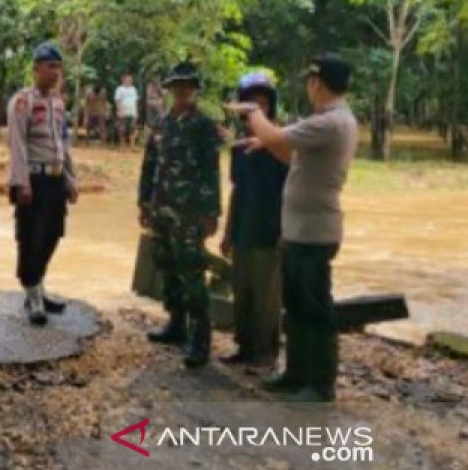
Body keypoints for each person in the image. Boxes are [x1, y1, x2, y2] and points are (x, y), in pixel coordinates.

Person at [228, 53, 357, 403]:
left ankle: (320, 383)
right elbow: (291, 154)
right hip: (301, 230)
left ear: (318, 82)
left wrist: (251, 112)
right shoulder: (329, 121)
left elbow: (273, 132)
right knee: (298, 308)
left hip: (315, 231)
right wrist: (265, 142)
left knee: (315, 309)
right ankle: (297, 374)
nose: (307, 87)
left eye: (309, 81)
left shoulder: (330, 122)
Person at [138, 62, 222, 369]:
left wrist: (212, 213)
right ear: (170, 89)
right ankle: (176, 324)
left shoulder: (204, 126)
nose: (182, 90)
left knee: (192, 271)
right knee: (168, 266)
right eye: (177, 85)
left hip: (190, 213)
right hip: (161, 206)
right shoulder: (161, 124)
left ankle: (201, 338)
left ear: (195, 89)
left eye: (187, 85)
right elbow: (149, 165)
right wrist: (143, 203)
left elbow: (212, 172)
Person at [6, 43, 80, 325]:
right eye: (51, 66)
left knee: (52, 235)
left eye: (59, 67)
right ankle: (33, 296)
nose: (56, 72)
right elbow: (18, 145)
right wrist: (22, 183)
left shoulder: (59, 103)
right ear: (36, 68)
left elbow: (63, 143)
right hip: (33, 179)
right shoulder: (22, 101)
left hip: (55, 177)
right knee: (30, 238)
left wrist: (71, 179)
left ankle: (38, 286)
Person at [220, 72, 289, 368]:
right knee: (243, 291)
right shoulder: (239, 148)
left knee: (267, 297)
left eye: (262, 102)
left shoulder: (282, 145)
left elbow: (290, 193)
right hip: (243, 228)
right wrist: (227, 233)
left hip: (270, 229)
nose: (256, 108)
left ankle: (266, 352)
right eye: (251, 103)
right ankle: (245, 347)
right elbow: (236, 190)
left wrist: (285, 231)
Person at [114, 73, 140, 149]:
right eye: (128, 79)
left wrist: (136, 112)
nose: (129, 81)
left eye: (130, 79)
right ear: (123, 80)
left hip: (132, 111)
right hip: (123, 111)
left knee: (132, 128)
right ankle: (122, 144)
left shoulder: (134, 89)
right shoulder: (119, 89)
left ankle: (132, 145)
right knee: (122, 128)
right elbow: (118, 101)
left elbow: (136, 101)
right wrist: (119, 110)